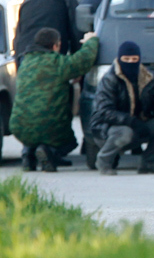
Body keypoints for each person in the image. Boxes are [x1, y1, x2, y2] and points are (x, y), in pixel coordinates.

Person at [9, 28, 98, 172]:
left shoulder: (25, 62)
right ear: (56, 45)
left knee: (33, 130)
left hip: (19, 127)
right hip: (49, 127)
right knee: (68, 142)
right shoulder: (57, 63)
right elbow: (83, 60)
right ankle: (49, 152)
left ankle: (28, 155)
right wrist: (91, 40)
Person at [90, 41, 154, 175]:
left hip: (138, 124)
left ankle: (149, 164)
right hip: (107, 129)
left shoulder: (147, 78)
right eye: (126, 59)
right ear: (119, 59)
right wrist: (131, 121)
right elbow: (104, 111)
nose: (130, 62)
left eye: (134, 59)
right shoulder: (109, 79)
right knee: (124, 132)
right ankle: (104, 162)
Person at [14, 0, 81, 65]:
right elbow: (76, 32)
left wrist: (18, 61)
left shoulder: (27, 1)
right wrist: (77, 64)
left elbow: (19, 35)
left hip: (26, 57)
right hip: (53, 58)